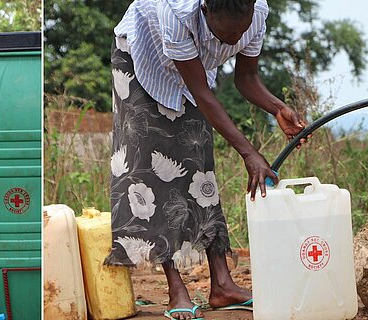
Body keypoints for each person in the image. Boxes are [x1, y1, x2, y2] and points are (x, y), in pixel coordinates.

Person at [107, 0, 309, 318]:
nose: (231, 41)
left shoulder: (254, 13)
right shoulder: (176, 14)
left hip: (190, 71)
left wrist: (277, 108)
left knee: (200, 163)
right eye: (225, 33)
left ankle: (223, 285)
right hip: (141, 61)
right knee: (151, 170)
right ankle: (176, 288)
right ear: (205, 11)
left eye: (239, 33)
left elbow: (247, 79)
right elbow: (202, 93)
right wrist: (249, 153)